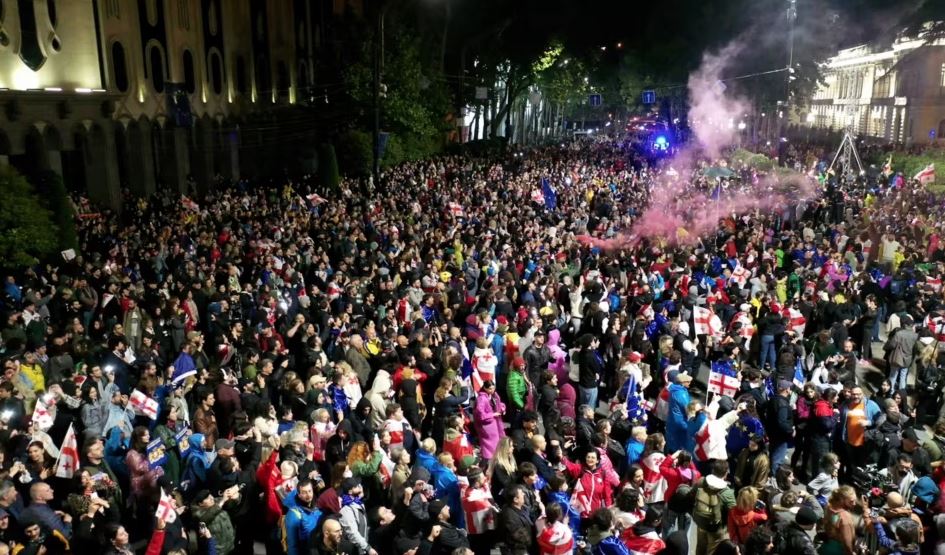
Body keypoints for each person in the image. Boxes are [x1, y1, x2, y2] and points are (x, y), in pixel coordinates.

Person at [692, 460, 736, 555]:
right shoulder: (727, 492)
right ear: (726, 473)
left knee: (700, 548)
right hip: (717, 529)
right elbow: (733, 512)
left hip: (701, 522)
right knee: (712, 552)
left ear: (712, 470)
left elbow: (691, 496)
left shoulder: (701, 481)